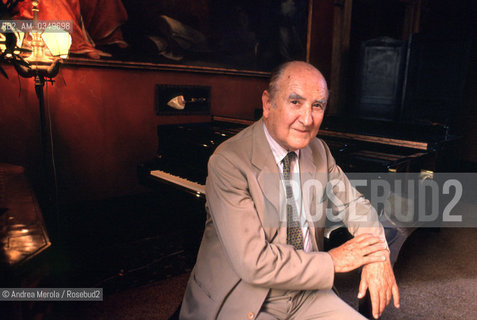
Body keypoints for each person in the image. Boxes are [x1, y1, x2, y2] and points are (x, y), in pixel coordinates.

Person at [180, 61, 399, 320]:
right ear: (268, 104)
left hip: (308, 291)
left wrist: (378, 254)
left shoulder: (319, 151)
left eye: (317, 106)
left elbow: (355, 206)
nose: (307, 119)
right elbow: (255, 264)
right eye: (295, 102)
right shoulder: (228, 161)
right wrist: (334, 261)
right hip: (249, 297)